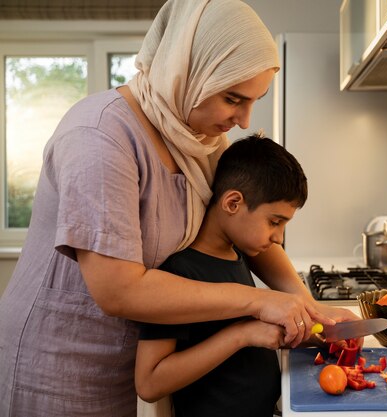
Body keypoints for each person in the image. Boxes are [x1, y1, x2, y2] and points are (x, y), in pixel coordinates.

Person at [0, 1, 358, 415]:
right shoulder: (99, 137)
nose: (244, 119)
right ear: (190, 72)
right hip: (59, 361)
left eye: (253, 100)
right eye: (232, 98)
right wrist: (256, 302)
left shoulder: (197, 138)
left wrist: (307, 309)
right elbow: (118, 289)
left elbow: (246, 234)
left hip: (125, 357)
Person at [136, 134, 307, 417]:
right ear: (232, 203)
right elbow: (149, 382)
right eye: (274, 222)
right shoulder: (178, 272)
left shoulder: (237, 256)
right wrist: (241, 335)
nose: (278, 238)